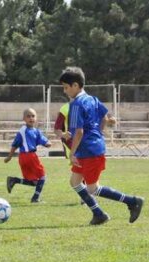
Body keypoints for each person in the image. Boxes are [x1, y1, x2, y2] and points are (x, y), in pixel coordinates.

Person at [59, 67, 144, 225]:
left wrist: (72, 153)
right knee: (75, 182)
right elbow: (104, 117)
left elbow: (79, 132)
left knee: (93, 188)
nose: (65, 91)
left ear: (75, 85)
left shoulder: (76, 104)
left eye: (66, 87)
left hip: (88, 151)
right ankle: (99, 214)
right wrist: (98, 134)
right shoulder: (93, 99)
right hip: (90, 149)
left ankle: (132, 201)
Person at [4, 108, 51, 203]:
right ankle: (35, 198)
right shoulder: (23, 130)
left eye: (33, 116)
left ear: (36, 118)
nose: (31, 118)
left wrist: (47, 143)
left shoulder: (36, 131)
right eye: (28, 116)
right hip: (30, 156)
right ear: (24, 119)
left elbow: (43, 140)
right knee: (42, 177)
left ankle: (14, 180)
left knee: (34, 182)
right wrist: (9, 156)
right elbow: (15, 144)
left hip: (23, 158)